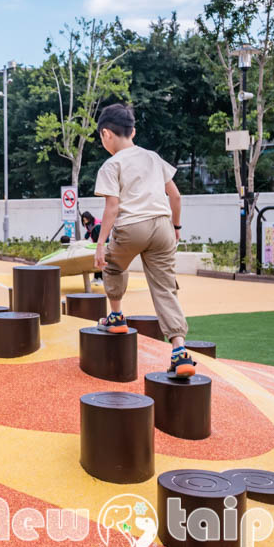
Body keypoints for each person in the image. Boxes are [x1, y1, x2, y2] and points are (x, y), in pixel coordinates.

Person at [92, 103, 195, 378]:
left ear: (106, 135)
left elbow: (112, 207)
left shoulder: (111, 165)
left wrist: (101, 244)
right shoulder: (153, 157)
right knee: (164, 288)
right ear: (133, 131)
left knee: (113, 265)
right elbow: (175, 196)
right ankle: (179, 349)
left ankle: (116, 317)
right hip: (162, 226)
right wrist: (175, 227)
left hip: (132, 227)